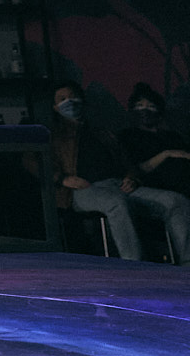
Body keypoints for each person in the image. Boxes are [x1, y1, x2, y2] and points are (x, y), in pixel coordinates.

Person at [51, 81, 190, 262]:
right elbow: (35, 162)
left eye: (73, 97)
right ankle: (134, 265)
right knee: (116, 203)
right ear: (55, 107)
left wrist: (131, 177)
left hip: (117, 184)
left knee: (175, 201)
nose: (69, 101)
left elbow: (126, 162)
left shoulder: (102, 133)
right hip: (82, 190)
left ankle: (187, 263)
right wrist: (62, 178)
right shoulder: (52, 136)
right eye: (63, 99)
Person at [119, 82, 190, 201]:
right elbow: (137, 169)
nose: (145, 110)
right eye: (140, 106)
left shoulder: (172, 136)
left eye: (151, 106)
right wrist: (166, 154)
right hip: (155, 188)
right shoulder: (128, 136)